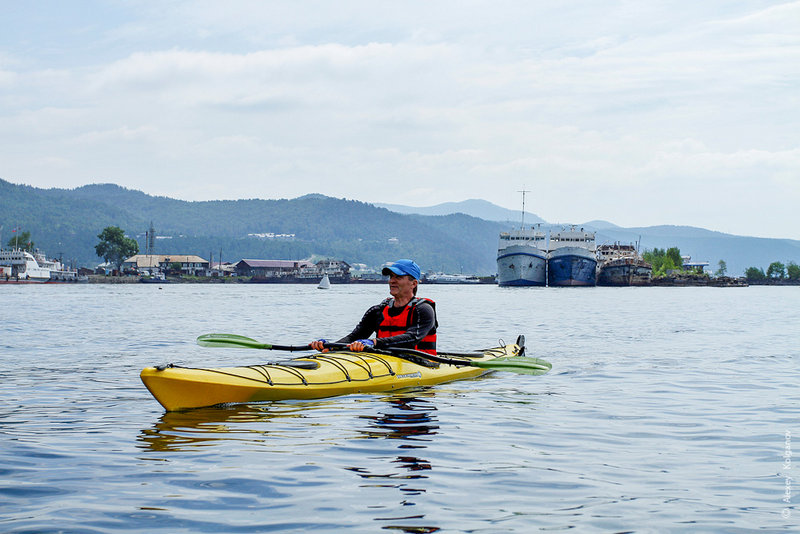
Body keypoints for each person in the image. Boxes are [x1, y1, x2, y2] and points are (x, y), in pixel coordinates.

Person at [310, 259, 437, 354]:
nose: (392, 281)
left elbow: (412, 337)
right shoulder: (378, 310)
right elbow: (354, 337)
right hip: (384, 360)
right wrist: (331, 346)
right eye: (391, 276)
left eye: (398, 277)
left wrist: (374, 342)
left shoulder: (424, 310)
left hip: (420, 363)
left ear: (413, 283)